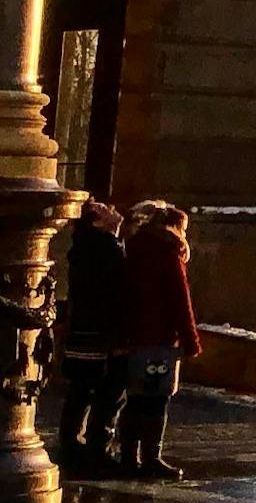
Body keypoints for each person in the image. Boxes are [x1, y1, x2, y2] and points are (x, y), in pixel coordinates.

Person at [112, 202, 204, 481]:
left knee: (136, 398)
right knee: (158, 400)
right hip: (161, 338)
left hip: (134, 336)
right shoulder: (168, 253)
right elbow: (180, 300)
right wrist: (191, 340)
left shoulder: (132, 249)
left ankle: (128, 456)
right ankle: (151, 458)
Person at [49, 200, 130, 475]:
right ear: (96, 221)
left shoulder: (87, 247)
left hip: (86, 329)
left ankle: (73, 444)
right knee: (105, 391)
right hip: (99, 331)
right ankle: (96, 448)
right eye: (105, 209)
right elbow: (116, 292)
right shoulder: (104, 248)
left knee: (82, 389)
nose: (113, 209)